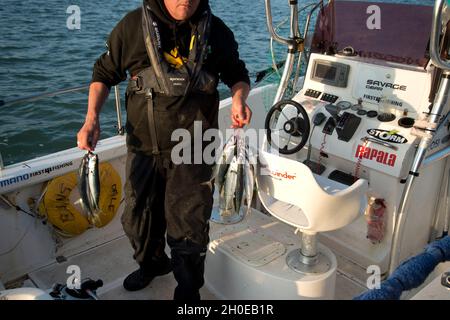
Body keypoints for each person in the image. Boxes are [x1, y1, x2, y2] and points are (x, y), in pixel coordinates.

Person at [76, 0, 251, 301]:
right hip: (144, 147)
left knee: (190, 225)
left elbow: (237, 74)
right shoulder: (132, 26)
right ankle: (152, 264)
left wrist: (238, 99)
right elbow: (104, 73)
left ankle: (187, 288)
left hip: (195, 149)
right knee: (137, 219)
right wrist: (91, 118)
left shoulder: (217, 31)